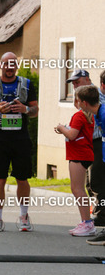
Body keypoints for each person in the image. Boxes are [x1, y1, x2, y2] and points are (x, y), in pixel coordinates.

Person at [0, 51, 38, 231]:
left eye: (13, 63)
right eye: (6, 64)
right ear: (1, 65)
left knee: (22, 179)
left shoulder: (26, 84)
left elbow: (35, 110)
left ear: (17, 66)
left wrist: (24, 109)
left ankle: (24, 216)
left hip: (21, 139)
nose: (10, 67)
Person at [66, 69, 105, 227]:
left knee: (97, 180)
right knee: (89, 182)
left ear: (87, 80)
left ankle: (101, 216)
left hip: (98, 141)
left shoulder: (95, 95)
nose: (75, 85)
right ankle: (95, 213)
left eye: (77, 82)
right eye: (73, 83)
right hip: (89, 143)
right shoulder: (82, 95)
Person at [54, 88, 95, 237]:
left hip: (78, 155)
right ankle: (86, 222)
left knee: (77, 189)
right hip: (85, 154)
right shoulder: (90, 116)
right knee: (79, 189)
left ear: (80, 101)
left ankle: (87, 223)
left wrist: (61, 128)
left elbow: (72, 135)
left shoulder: (79, 115)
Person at [73, 85, 105, 245]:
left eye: (77, 101)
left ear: (84, 103)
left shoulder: (103, 114)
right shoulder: (98, 114)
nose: (76, 104)